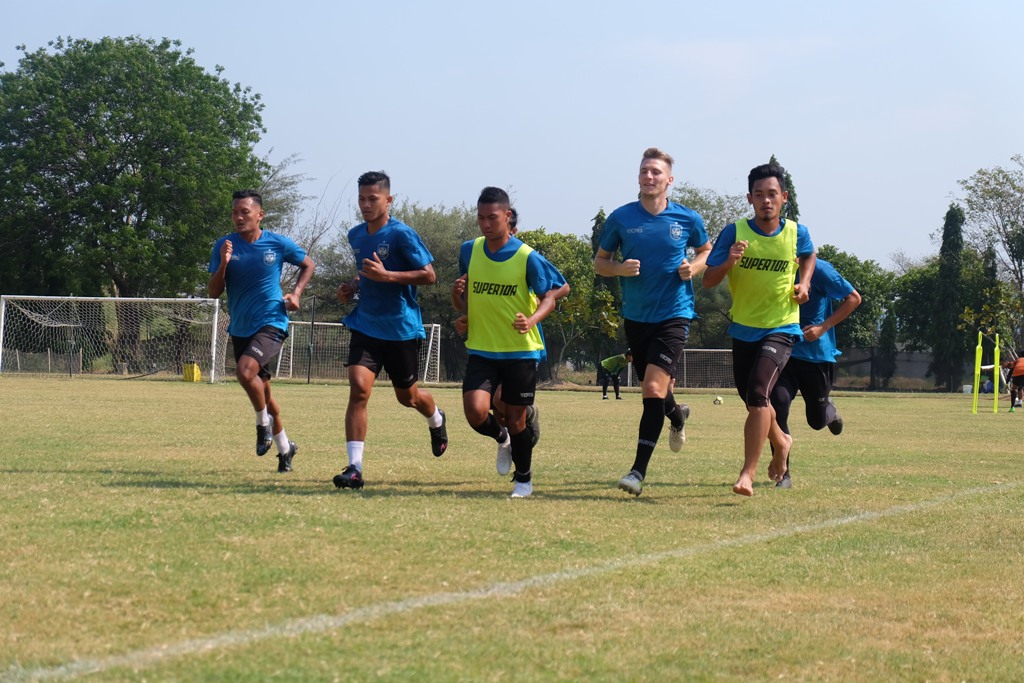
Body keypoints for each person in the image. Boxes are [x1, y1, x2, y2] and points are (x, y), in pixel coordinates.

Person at [594, 147, 711, 497]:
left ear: (669, 180)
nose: (649, 176)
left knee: (651, 390)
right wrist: (619, 269)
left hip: (674, 314)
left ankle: (636, 473)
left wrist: (696, 266)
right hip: (636, 317)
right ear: (639, 176)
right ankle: (677, 415)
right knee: (660, 392)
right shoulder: (621, 218)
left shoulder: (687, 219)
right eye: (645, 171)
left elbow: (707, 250)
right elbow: (601, 262)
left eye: (656, 172)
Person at [703, 161, 816, 496]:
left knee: (757, 392)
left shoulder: (797, 233)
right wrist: (729, 261)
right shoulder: (734, 232)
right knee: (754, 400)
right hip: (744, 328)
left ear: (784, 197)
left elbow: (808, 256)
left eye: (772, 194)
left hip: (781, 327)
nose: (766, 201)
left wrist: (805, 283)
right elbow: (708, 281)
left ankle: (747, 474)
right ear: (749, 199)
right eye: (759, 195)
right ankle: (781, 441)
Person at [332, 171, 448, 490]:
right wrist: (351, 289)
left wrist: (389, 276)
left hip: (400, 329)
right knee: (358, 388)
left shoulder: (402, 235)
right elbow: (366, 275)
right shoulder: (356, 235)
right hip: (366, 324)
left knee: (408, 398)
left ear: (388, 200)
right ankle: (354, 468)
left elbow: (429, 275)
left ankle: (436, 418)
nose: (366, 205)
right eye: (361, 199)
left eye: (373, 199)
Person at [451, 186, 569, 498]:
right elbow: (465, 300)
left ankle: (524, 481)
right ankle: (501, 437)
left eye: (492, 217)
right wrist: (459, 302)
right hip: (482, 348)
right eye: (480, 218)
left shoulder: (526, 256)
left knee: (515, 417)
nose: (486, 224)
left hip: (520, 351)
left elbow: (552, 296)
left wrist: (531, 320)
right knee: (476, 412)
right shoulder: (469, 251)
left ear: (507, 216)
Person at [208, 189, 315, 473]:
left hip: (271, 322)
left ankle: (261, 424)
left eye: (245, 212)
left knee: (244, 372)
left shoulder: (276, 244)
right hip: (241, 328)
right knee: (265, 395)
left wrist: (296, 294)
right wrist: (223, 263)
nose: (239, 217)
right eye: (234, 212)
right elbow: (214, 291)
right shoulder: (224, 245)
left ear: (260, 215)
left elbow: (308, 264)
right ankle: (285, 448)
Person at [769, 259, 862, 488]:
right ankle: (784, 474)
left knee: (816, 421)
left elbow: (854, 298)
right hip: (784, 352)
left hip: (816, 357)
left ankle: (830, 411)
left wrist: (823, 327)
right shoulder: (774, 267)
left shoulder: (820, 269)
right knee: (776, 406)